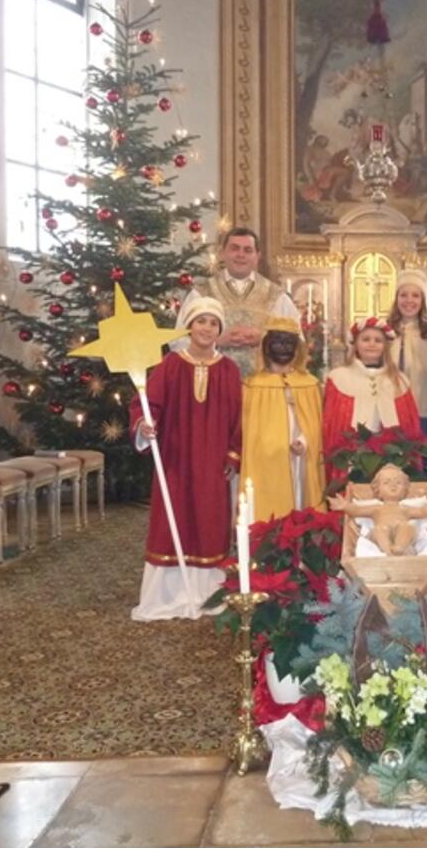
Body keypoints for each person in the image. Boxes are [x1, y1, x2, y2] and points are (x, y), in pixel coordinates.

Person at [129, 295, 242, 621]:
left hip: (213, 462)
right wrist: (145, 425)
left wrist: (233, 454)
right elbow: (148, 404)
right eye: (200, 321)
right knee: (172, 517)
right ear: (189, 326)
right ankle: (166, 596)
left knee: (210, 520)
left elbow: (238, 418)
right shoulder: (171, 365)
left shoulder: (229, 370)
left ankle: (207, 594)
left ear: (219, 329)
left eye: (213, 322)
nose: (206, 328)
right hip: (176, 458)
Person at [177, 227, 296, 377]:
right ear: (222, 253)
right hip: (213, 383)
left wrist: (265, 340)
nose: (241, 255)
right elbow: (178, 339)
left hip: (264, 387)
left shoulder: (277, 296)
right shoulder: (201, 293)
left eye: (248, 250)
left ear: (257, 256)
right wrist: (214, 341)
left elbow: (297, 342)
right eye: (234, 248)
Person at [241, 317, 324, 522]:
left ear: (297, 348)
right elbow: (246, 427)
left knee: (299, 495)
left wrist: (304, 441)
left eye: (289, 343)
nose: (283, 348)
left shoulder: (309, 384)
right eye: (277, 342)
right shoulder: (253, 385)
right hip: (265, 461)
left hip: (300, 457)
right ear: (266, 347)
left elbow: (317, 424)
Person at [322, 316, 422, 458]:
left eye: (378, 340)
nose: (372, 344)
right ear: (355, 344)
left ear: (385, 346)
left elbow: (409, 427)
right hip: (353, 455)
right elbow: (331, 426)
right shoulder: (338, 378)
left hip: (390, 456)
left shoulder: (400, 381)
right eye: (365, 339)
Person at [387, 269, 427, 434]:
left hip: (423, 411)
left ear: (423, 300)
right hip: (388, 412)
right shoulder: (384, 333)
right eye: (403, 295)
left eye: (415, 295)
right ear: (396, 299)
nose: (409, 301)